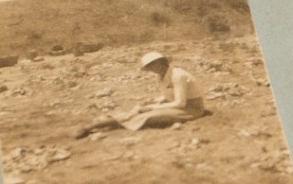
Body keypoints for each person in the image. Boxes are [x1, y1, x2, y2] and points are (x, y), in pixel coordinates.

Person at [75, 51, 208, 138]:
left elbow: (181, 103)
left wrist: (151, 107)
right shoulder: (161, 76)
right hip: (177, 105)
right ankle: (93, 126)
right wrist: (153, 102)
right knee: (136, 111)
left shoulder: (178, 75)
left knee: (148, 116)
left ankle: (103, 127)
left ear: (162, 62)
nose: (152, 68)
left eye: (153, 64)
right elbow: (169, 96)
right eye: (149, 66)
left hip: (192, 109)